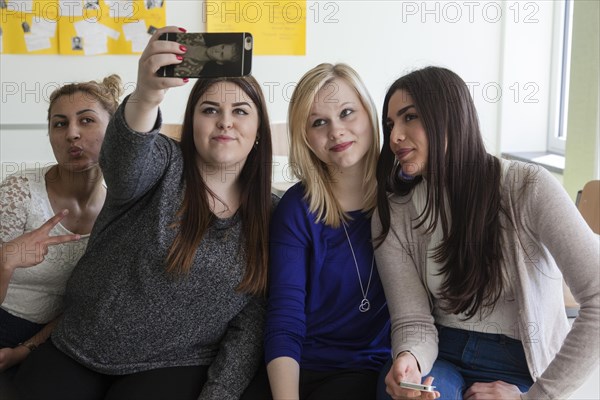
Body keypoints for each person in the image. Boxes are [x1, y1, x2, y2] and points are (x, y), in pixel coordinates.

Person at [14, 26, 273, 400]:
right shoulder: (163, 162)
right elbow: (122, 163)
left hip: (174, 365)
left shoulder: (272, 215)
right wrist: (148, 95)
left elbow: (251, 323)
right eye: (210, 109)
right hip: (77, 344)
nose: (225, 122)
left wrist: (219, 394)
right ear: (192, 124)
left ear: (259, 129)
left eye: (240, 111)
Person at [373, 66, 599, 400]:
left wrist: (534, 398)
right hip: (441, 353)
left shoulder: (528, 187)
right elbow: (413, 320)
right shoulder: (394, 211)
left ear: (450, 118)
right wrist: (408, 359)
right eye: (391, 124)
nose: (394, 137)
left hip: (521, 362)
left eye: (410, 118)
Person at [245, 63, 390, 400]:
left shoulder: (404, 197)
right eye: (319, 122)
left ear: (369, 114)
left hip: (365, 368)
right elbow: (285, 315)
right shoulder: (297, 208)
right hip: (296, 364)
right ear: (305, 136)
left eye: (347, 113)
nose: (336, 132)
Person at [0, 74, 122, 374]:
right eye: (60, 123)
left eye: (87, 120)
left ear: (115, 131)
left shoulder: (119, 209)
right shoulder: (19, 192)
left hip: (55, 339)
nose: (72, 134)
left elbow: (82, 305)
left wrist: (24, 351)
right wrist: (5, 262)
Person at [176, 33, 241, 78]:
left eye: (221, 54)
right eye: (222, 47)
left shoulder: (193, 72)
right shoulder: (197, 36)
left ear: (220, 62)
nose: (217, 50)